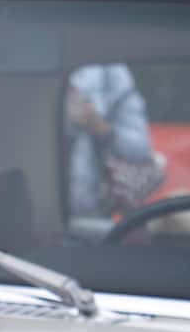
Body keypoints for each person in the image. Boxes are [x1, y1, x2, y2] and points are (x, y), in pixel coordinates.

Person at [63, 63, 157, 231]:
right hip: (52, 219)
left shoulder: (111, 74)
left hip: (97, 214)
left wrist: (99, 127)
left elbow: (139, 149)